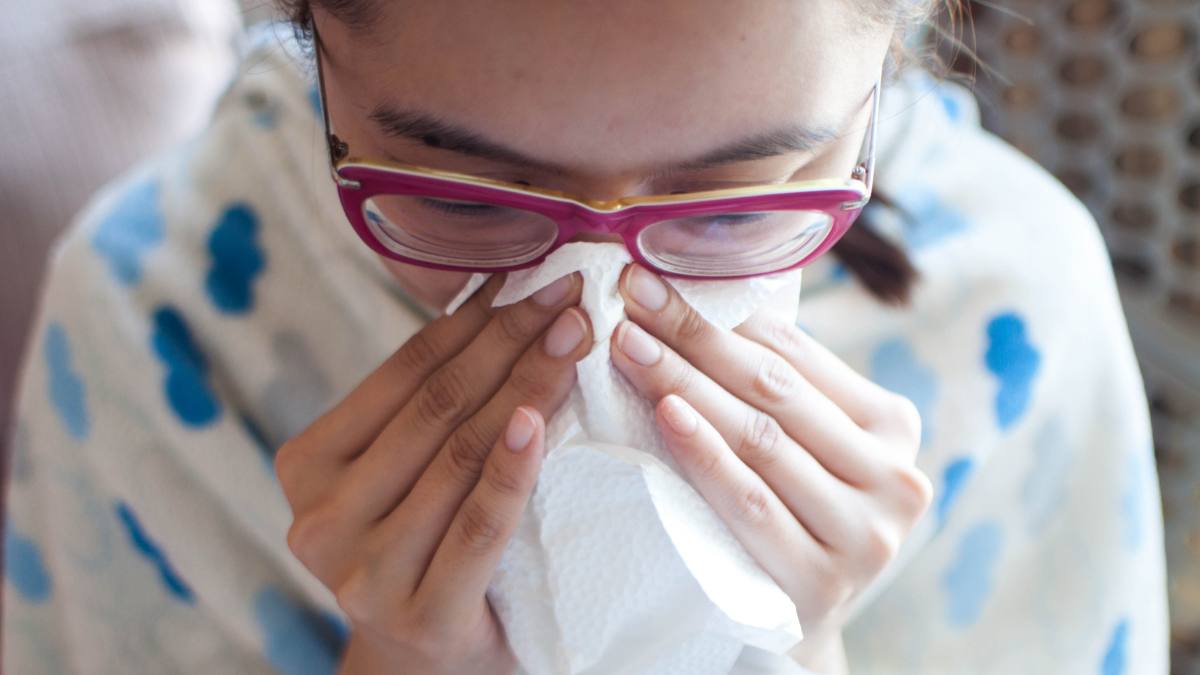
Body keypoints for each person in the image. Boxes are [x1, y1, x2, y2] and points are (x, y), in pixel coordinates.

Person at [2, 1, 1169, 673]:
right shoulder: (161, 319)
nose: (598, 311)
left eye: (735, 205)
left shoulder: (1011, 316)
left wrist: (791, 647)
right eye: (464, 200)